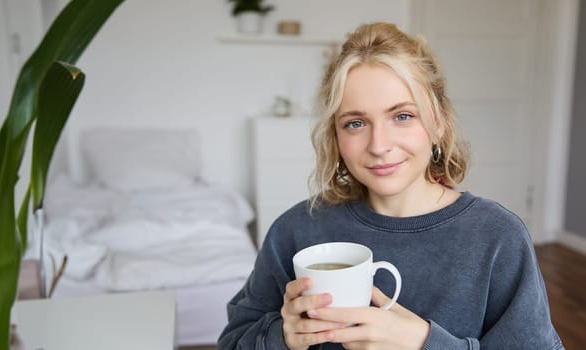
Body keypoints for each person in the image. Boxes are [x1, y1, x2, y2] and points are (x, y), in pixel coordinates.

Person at [219, 22, 563, 350]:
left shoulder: (497, 237)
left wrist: (425, 342)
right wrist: (283, 338)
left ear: (439, 121)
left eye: (402, 116)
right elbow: (233, 342)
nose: (379, 145)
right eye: (355, 123)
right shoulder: (296, 231)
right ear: (335, 137)